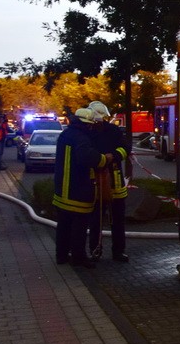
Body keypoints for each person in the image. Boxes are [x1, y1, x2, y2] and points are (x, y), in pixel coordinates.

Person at [53, 107, 110, 269]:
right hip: (77, 192)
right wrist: (104, 159)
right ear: (87, 124)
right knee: (79, 227)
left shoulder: (66, 134)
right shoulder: (81, 138)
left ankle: (61, 256)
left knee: (63, 226)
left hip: (62, 191)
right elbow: (89, 158)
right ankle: (79, 257)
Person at [86, 101, 129, 262]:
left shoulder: (113, 130)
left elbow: (125, 148)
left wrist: (114, 156)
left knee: (117, 221)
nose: (97, 122)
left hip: (115, 182)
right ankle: (95, 250)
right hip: (95, 182)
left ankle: (118, 251)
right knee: (95, 220)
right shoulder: (87, 132)